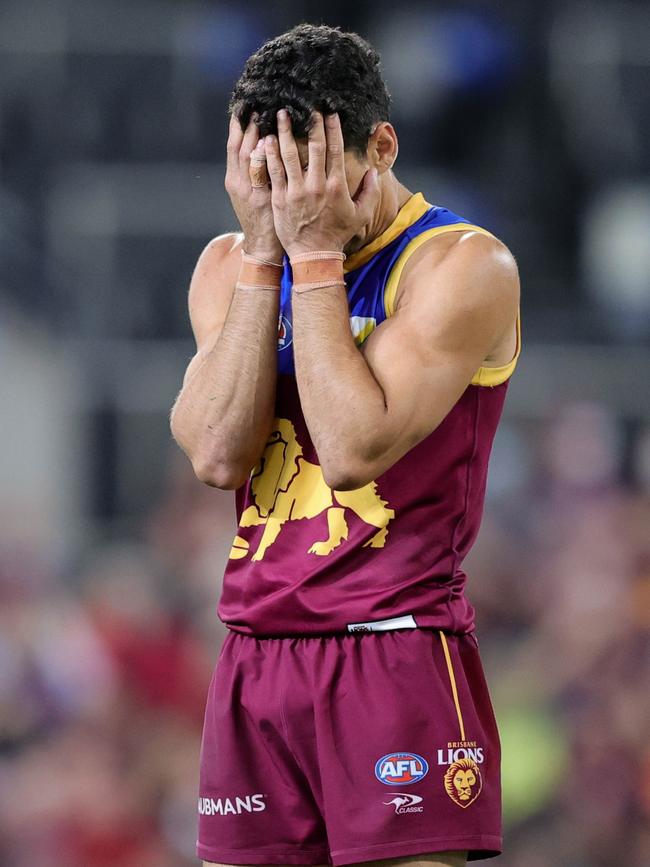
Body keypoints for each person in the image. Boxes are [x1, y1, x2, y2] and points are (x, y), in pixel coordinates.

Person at [170, 23, 520, 867]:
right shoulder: (231, 263)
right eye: (267, 180)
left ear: (382, 146)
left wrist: (316, 257)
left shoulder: (462, 265)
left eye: (316, 176)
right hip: (255, 652)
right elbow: (217, 456)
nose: (293, 204)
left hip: (392, 646)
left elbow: (356, 444)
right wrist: (263, 255)